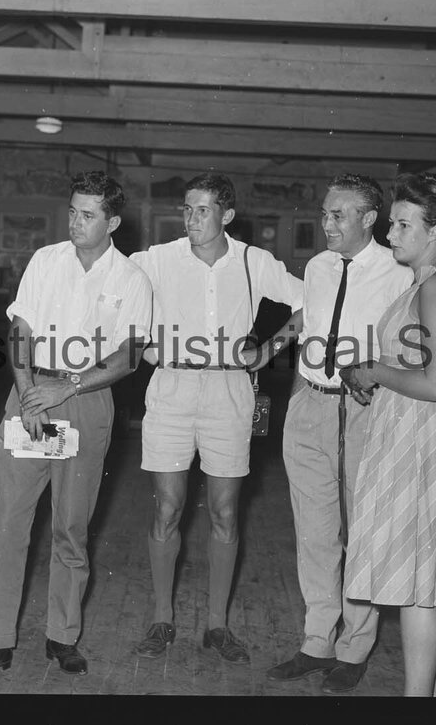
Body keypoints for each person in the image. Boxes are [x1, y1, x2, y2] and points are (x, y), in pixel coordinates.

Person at [0, 171, 152, 681]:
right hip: (29, 397)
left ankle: (62, 636)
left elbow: (129, 355)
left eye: (87, 215)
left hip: (86, 402)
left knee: (71, 526)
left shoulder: (131, 279)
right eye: (72, 211)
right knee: (9, 524)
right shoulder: (46, 261)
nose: (75, 222)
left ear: (112, 221)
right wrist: (28, 393)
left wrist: (65, 389)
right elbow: (19, 328)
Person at [129, 173, 303, 665]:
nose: (191, 219)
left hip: (230, 391)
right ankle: (162, 617)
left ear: (226, 215)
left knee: (225, 512)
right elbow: (114, 293)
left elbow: (310, 303)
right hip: (171, 388)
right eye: (187, 209)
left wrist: (268, 351)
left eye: (202, 210)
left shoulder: (254, 261)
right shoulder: (159, 258)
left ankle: (217, 625)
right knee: (167, 508)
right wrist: (140, 345)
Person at [340, 173, 436, 697]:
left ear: (435, 228)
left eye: (403, 224)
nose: (391, 233)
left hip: (417, 442)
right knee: (434, 588)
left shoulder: (434, 286)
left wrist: (378, 372)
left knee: (417, 591)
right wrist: (391, 370)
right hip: (424, 437)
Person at [266, 174, 413, 694]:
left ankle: (355, 648)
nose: (325, 223)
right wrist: (270, 347)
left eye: (337, 215)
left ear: (369, 219)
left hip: (364, 410)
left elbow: (413, 345)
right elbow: (311, 316)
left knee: (362, 532)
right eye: (324, 213)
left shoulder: (398, 273)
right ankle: (316, 642)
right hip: (309, 403)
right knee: (315, 530)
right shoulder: (318, 266)